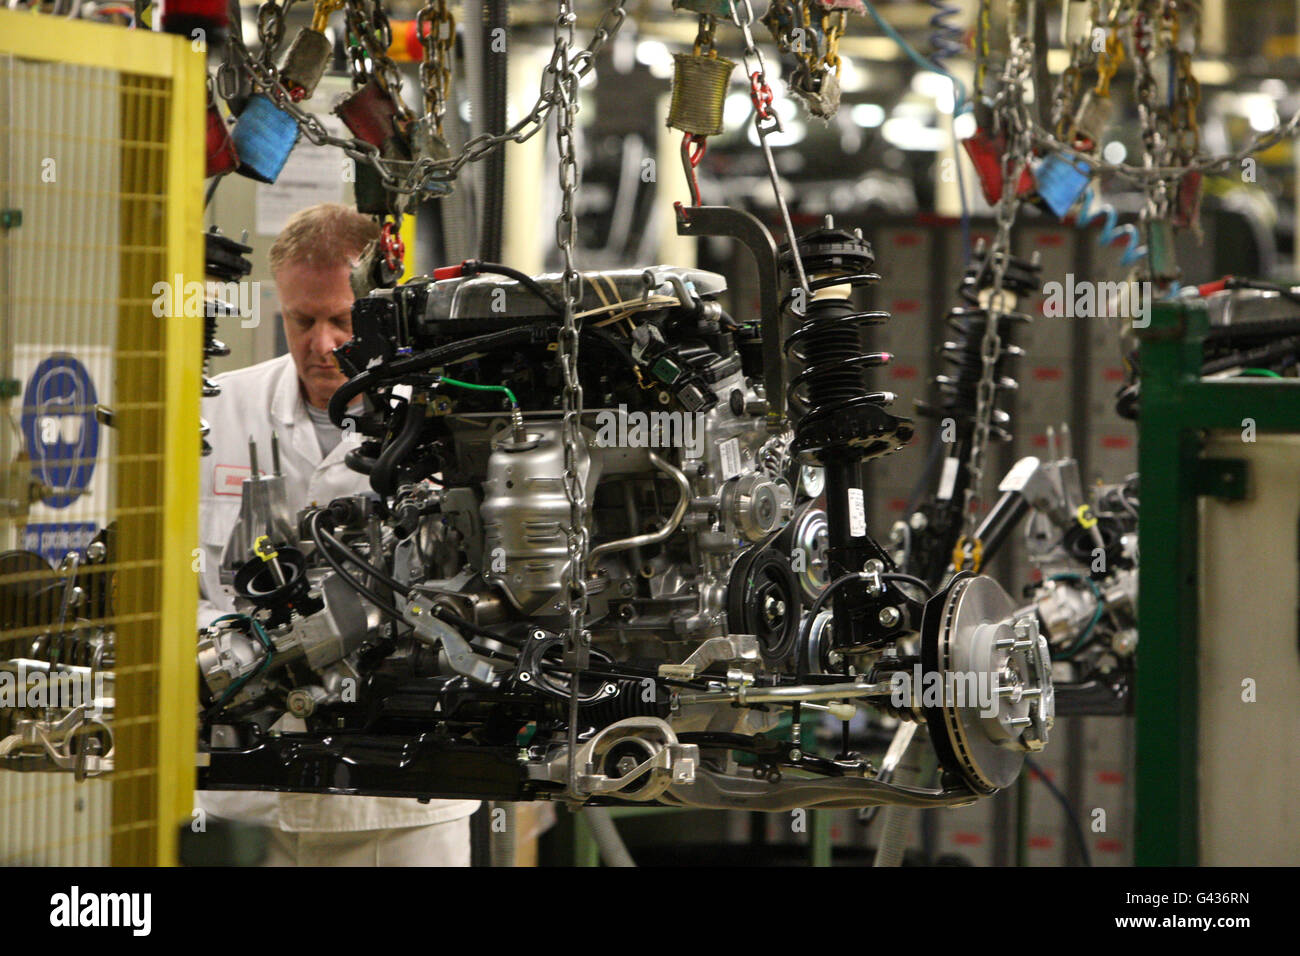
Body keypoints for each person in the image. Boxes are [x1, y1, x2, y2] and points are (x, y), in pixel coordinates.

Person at [195, 203, 477, 866]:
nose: (322, 344)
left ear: (380, 310)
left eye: (342, 321)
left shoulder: (450, 419)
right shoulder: (216, 410)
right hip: (244, 790)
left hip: (400, 802)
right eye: (302, 320)